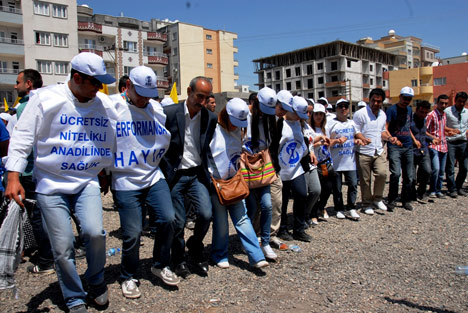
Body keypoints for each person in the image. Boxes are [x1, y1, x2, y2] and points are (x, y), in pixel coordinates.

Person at [5, 52, 117, 313]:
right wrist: (13, 176)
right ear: (76, 78)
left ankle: (96, 281)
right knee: (63, 245)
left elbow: (108, 138)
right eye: (94, 83)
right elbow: (22, 137)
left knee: (94, 234)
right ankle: (74, 296)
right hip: (51, 185)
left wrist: (104, 172)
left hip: (85, 181)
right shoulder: (46, 99)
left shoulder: (102, 103)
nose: (99, 89)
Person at [109, 66, 177, 298]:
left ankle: (159, 264)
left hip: (152, 175)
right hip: (125, 180)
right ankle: (128, 276)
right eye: (140, 93)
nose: (145, 99)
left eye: (149, 94)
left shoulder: (156, 108)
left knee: (168, 219)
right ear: (127, 86)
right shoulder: (111, 107)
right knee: (133, 233)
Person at [159, 76, 217, 278]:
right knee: (178, 221)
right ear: (189, 91)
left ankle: (195, 245)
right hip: (175, 175)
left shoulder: (210, 118)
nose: (202, 102)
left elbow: (205, 146)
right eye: (199, 96)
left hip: (196, 174)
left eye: (206, 97)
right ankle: (179, 260)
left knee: (206, 214)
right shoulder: (169, 113)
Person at [209, 98, 269, 269]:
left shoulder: (238, 131)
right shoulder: (213, 128)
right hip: (217, 184)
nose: (236, 126)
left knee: (242, 218)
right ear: (225, 115)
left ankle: (256, 256)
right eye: (234, 122)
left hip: (234, 181)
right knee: (221, 222)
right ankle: (219, 254)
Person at [12, 69, 58, 275]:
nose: (15, 86)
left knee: (38, 216)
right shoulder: (49, 103)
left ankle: (47, 259)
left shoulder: (27, 107)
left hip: (31, 171)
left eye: (18, 82)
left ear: (29, 84)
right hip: (42, 170)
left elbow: (24, 143)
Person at [243, 87, 277, 260]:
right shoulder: (244, 116)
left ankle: (265, 242)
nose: (265, 114)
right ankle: (248, 242)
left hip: (263, 166)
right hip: (246, 168)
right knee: (252, 207)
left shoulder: (268, 119)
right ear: (255, 102)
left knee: (267, 205)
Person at [353, 88, 396, 215]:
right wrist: (363, 139)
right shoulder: (360, 114)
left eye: (379, 101)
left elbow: (382, 131)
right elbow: (356, 131)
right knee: (365, 180)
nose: (376, 103)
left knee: (382, 174)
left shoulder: (383, 114)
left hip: (379, 149)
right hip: (363, 151)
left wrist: (389, 138)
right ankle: (366, 204)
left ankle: (377, 198)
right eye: (374, 100)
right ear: (369, 99)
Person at [327, 99, 370, 220]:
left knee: (353, 184)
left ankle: (351, 207)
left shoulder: (352, 123)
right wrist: (336, 141)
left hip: (350, 161)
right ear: (336, 109)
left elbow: (357, 134)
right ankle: (339, 208)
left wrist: (363, 139)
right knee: (337, 187)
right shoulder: (330, 123)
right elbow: (326, 141)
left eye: (346, 106)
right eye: (340, 106)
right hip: (336, 161)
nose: (343, 109)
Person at [277, 96, 311, 242]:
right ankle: (282, 228)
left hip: (296, 167)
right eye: (297, 113)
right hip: (281, 169)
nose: (299, 117)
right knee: (282, 201)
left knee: (302, 194)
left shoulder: (298, 124)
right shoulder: (280, 123)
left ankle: (299, 228)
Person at [267, 90, 291, 247]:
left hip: (274, 168)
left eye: (286, 110)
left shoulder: (281, 122)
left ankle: (271, 234)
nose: (283, 112)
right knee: (260, 205)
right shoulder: (263, 119)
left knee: (277, 201)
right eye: (281, 108)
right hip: (258, 167)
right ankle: (255, 236)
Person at [386, 87, 416, 211]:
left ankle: (405, 199)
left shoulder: (409, 110)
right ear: (400, 96)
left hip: (408, 145)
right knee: (396, 173)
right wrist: (391, 138)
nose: (406, 101)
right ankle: (392, 199)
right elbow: (385, 127)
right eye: (405, 98)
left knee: (409, 176)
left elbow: (408, 127)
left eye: (409, 99)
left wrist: (414, 140)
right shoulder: (391, 110)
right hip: (395, 146)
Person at [426, 94, 456, 198]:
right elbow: (424, 131)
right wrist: (432, 138)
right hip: (434, 146)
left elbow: (442, 128)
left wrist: (450, 131)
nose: (443, 105)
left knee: (442, 171)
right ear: (437, 103)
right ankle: (432, 190)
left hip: (444, 146)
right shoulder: (431, 115)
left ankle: (438, 190)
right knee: (436, 169)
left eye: (446, 104)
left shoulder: (444, 115)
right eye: (442, 103)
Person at [444, 91, 468, 198]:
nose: (461, 103)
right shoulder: (447, 111)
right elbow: (442, 126)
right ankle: (451, 188)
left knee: (464, 167)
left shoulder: (467, 112)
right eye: (459, 101)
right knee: (450, 166)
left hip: (463, 142)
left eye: (463, 102)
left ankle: (459, 186)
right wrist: (451, 130)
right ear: (455, 100)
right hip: (450, 142)